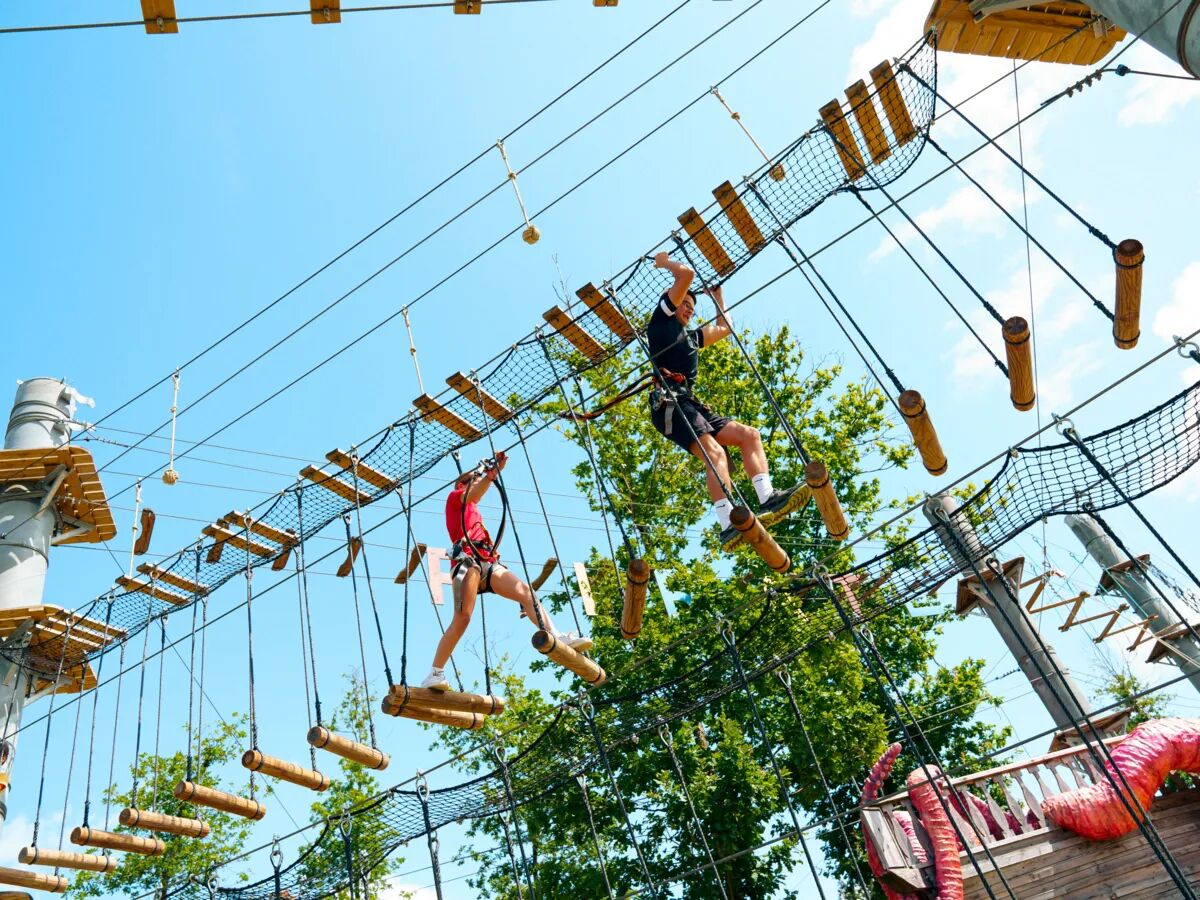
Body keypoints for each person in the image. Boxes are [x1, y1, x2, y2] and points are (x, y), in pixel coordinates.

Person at [648, 252, 806, 545]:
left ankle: (768, 498)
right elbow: (686, 275)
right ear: (671, 300)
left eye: (693, 307)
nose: (689, 310)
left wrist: (719, 298)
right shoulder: (662, 320)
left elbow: (724, 328)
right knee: (715, 454)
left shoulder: (691, 338)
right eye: (685, 303)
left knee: (749, 435)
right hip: (669, 403)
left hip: (689, 403)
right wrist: (664, 263)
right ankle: (728, 523)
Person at [420, 451, 592, 692]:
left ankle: (556, 635)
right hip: (467, 562)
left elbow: (476, 494)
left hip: (487, 561)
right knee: (463, 618)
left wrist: (490, 474)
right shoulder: (455, 497)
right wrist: (489, 475)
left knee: (527, 593)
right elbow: (474, 493)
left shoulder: (473, 509)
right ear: (462, 484)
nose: (477, 483)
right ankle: (434, 672)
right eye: (473, 480)